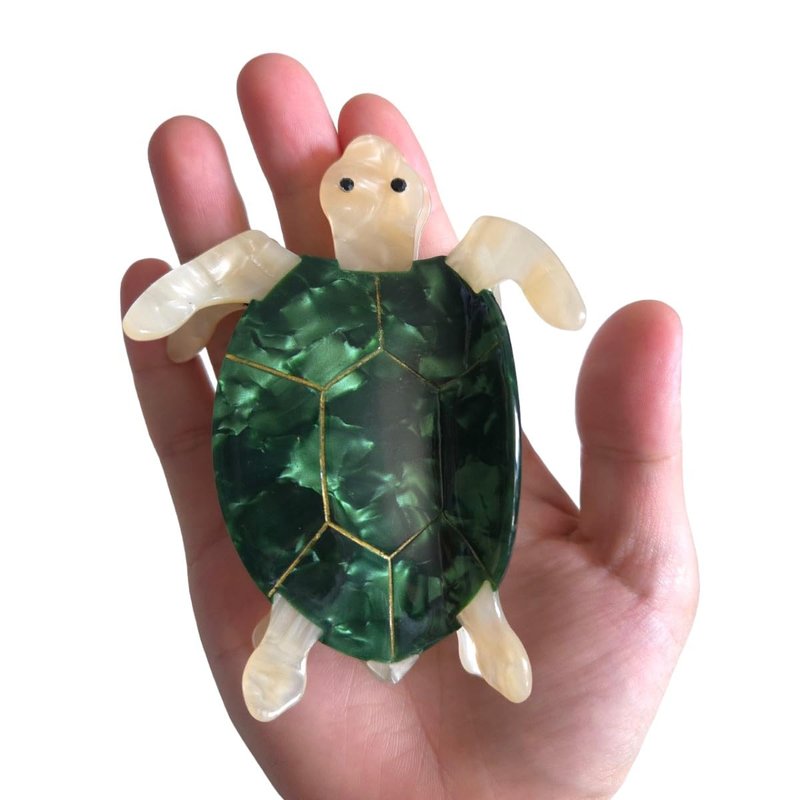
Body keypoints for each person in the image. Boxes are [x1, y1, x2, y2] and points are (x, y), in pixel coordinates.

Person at [120, 53, 698, 800]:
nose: (372, 193)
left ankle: (465, 625)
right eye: (352, 186)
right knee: (391, 562)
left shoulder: (366, 274)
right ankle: (354, 637)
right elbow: (211, 284)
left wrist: (190, 316)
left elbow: (222, 282)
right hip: (417, 529)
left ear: (418, 200)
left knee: (361, 564)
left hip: (381, 516)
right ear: (330, 198)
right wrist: (185, 310)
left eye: (394, 185)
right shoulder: (347, 274)